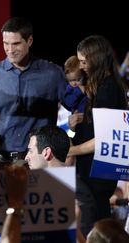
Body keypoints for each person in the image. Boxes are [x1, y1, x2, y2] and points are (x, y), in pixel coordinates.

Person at [0, 17, 66, 162]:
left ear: (30, 41)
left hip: (39, 161)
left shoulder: (52, 74)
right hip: (0, 160)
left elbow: (76, 105)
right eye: (6, 44)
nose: (10, 50)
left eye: (16, 44)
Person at [68, 35, 128, 237]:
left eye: (84, 62)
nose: (82, 67)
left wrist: (71, 150)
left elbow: (105, 139)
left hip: (97, 176)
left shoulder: (108, 89)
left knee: (95, 230)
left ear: (97, 59)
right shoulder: (100, 87)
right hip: (92, 172)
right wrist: (76, 125)